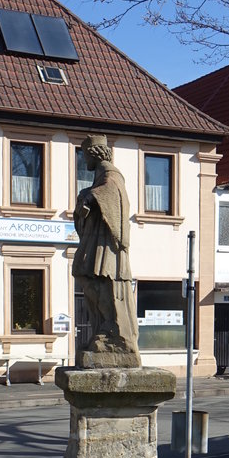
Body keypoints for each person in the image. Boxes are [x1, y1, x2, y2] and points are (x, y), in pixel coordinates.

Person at [72, 134, 141, 366]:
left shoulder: (111, 175)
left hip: (107, 245)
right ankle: (104, 327)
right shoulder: (100, 177)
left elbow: (112, 194)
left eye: (84, 156)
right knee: (84, 274)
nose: (84, 162)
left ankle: (113, 330)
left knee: (101, 280)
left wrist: (89, 196)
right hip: (96, 241)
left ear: (93, 154)